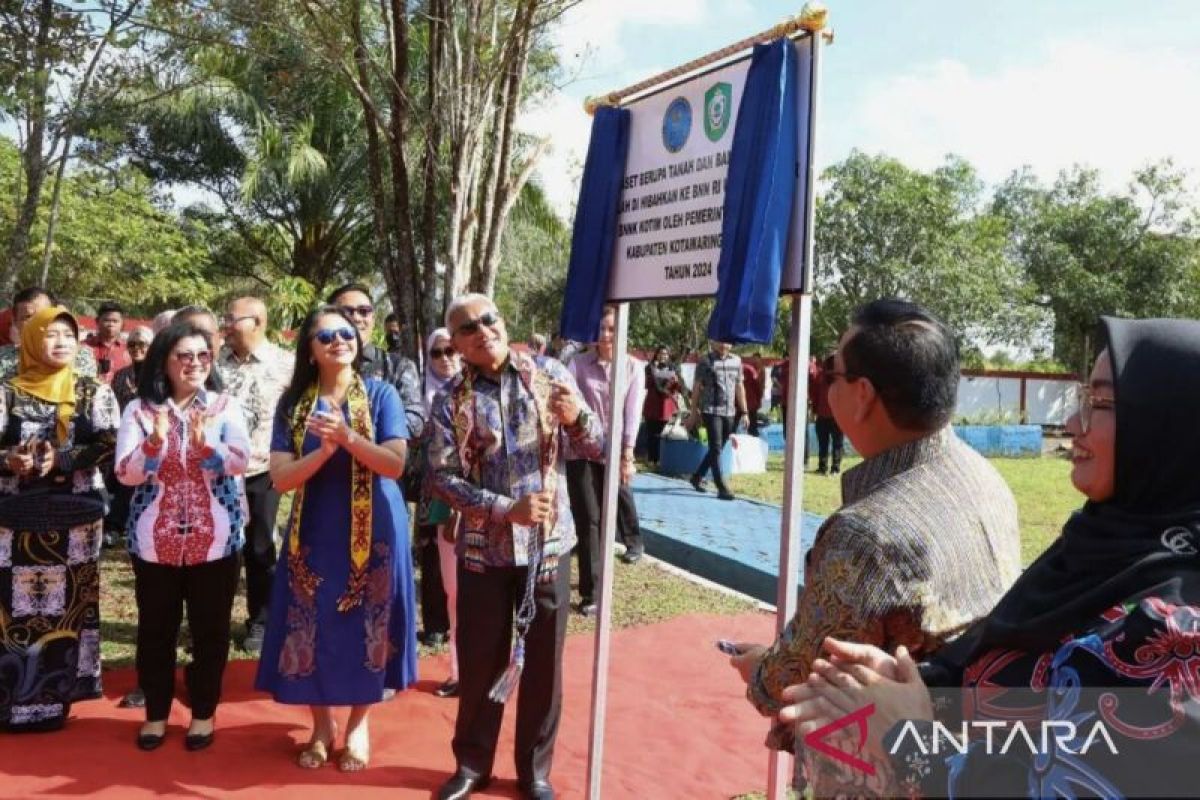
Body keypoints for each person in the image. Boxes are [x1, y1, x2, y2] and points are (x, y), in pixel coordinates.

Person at [783, 315, 1200, 799]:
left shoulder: (1178, 645)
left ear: (1172, 426)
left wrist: (911, 737)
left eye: (1102, 404)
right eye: (1083, 400)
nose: (1071, 424)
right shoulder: (1096, 547)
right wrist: (907, 686)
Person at [728, 299, 1022, 797]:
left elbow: (793, 679)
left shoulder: (868, 535)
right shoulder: (983, 475)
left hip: (883, 770)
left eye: (831, 370)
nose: (825, 379)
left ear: (862, 395)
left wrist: (755, 664)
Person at [428, 293, 603, 800]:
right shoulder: (451, 401)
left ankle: (534, 772)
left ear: (503, 322)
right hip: (485, 549)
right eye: (467, 327)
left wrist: (576, 419)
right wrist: (507, 508)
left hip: (548, 545)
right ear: (457, 345)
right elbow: (442, 479)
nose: (482, 330)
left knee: (545, 665)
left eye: (489, 319)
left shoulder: (550, 374)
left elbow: (596, 444)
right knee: (481, 659)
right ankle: (472, 765)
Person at [255, 305, 417, 772]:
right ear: (310, 347)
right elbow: (282, 479)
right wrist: (324, 453)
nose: (339, 341)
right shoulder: (294, 403)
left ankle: (359, 724)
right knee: (314, 621)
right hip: (316, 526)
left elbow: (393, 464)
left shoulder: (382, 394)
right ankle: (321, 726)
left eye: (346, 333)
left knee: (370, 624)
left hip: (376, 528)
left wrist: (347, 438)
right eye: (326, 336)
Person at [114, 320, 250, 751]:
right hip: (155, 539)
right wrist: (152, 446)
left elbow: (241, 460)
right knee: (157, 629)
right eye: (185, 356)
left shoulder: (225, 406)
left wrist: (208, 448)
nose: (195, 363)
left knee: (211, 631)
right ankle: (155, 713)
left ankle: (204, 713)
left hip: (217, 537)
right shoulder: (139, 410)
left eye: (203, 355)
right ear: (165, 362)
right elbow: (125, 473)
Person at [0, 306, 118, 731]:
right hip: (14, 522)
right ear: (30, 339)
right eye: (50, 334)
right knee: (12, 609)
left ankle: (55, 698)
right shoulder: (6, 393)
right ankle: (11, 698)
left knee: (67, 609)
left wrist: (63, 458)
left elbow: (111, 444)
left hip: (75, 525)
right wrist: (8, 460)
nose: (62, 341)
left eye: (70, 334)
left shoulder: (93, 392)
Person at [217, 296, 294, 655]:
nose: (226, 326)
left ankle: (262, 621)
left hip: (264, 469)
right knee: (219, 551)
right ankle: (213, 620)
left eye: (232, 319)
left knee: (261, 547)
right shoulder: (216, 364)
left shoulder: (285, 364)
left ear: (258, 322)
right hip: (217, 472)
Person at [567, 306, 647, 617]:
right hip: (580, 452)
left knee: (610, 515)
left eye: (613, 329)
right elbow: (570, 404)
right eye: (602, 329)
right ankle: (592, 591)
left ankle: (622, 553)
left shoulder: (633, 368)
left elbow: (632, 415)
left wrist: (627, 454)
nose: (607, 335)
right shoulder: (578, 364)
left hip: (613, 452)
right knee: (589, 520)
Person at [418, 327, 462, 697]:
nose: (446, 357)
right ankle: (459, 670)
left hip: (497, 507)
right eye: (438, 352)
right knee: (454, 590)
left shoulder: (486, 390)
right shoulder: (420, 397)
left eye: (452, 350)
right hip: (445, 503)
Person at [326, 284, 424, 440]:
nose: (357, 318)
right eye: (347, 311)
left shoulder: (399, 367)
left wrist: (360, 436)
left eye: (364, 311)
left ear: (373, 318)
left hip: (382, 459)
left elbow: (415, 419)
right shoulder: (316, 363)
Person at [687, 340, 746, 500]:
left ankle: (697, 476)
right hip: (710, 410)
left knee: (717, 448)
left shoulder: (737, 361)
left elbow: (739, 386)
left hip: (729, 412)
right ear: (713, 343)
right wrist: (693, 412)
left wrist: (745, 411)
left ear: (731, 345)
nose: (723, 346)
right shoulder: (705, 361)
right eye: (720, 342)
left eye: (727, 343)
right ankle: (722, 486)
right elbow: (697, 387)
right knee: (715, 446)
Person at [0, 287, 98, 380]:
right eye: (28, 317)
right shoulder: (3, 357)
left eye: (43, 315)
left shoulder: (79, 355)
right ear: (14, 321)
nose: (37, 322)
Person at [641, 345, 682, 465]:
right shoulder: (649, 367)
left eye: (665, 354)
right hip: (653, 404)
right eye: (660, 353)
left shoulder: (674, 368)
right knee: (651, 432)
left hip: (667, 405)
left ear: (669, 356)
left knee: (664, 432)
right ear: (656, 354)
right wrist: (654, 375)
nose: (663, 356)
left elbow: (679, 388)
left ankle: (661, 459)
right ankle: (651, 458)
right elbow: (647, 384)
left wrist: (676, 381)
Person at [810, 354, 845, 475]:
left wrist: (814, 411)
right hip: (837, 416)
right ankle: (834, 468)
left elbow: (814, 395)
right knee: (837, 444)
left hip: (822, 415)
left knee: (823, 443)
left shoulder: (820, 376)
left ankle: (822, 467)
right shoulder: (842, 378)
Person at [84, 301, 132, 384]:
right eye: (106, 320)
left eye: (115, 321)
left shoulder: (130, 349)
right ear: (97, 321)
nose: (111, 324)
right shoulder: (83, 347)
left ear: (122, 324)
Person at [112, 326, 153, 409]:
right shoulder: (120, 375)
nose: (136, 348)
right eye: (131, 344)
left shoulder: (159, 374)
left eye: (142, 344)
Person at [742, 352, 765, 437]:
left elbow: (761, 385)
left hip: (753, 399)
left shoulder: (761, 369)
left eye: (756, 358)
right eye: (753, 358)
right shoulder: (749, 369)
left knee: (753, 419)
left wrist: (760, 397)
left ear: (759, 359)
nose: (754, 360)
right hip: (745, 398)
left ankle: (754, 435)